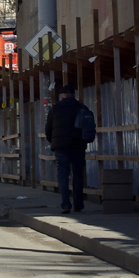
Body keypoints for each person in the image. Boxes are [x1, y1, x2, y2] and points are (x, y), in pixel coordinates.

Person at [45, 82, 93, 214]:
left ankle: (65, 204)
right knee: (78, 175)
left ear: (63, 95)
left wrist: (54, 141)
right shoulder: (81, 107)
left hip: (61, 147)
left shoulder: (55, 109)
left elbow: (48, 130)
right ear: (73, 94)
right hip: (78, 146)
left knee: (63, 176)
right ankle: (78, 204)